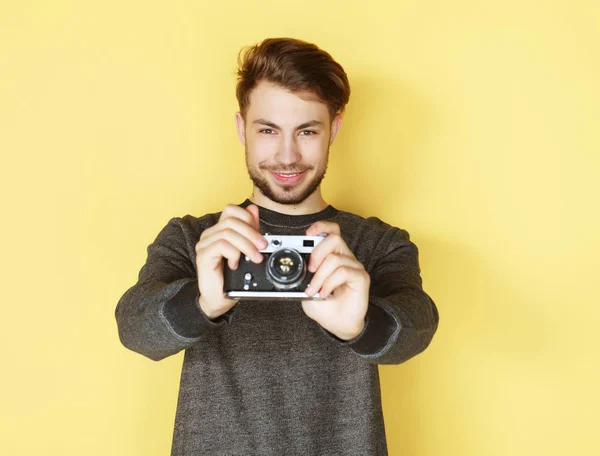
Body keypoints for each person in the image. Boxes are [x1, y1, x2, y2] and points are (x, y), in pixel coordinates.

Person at [115, 37, 439, 456]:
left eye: (307, 131)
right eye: (268, 130)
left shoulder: (377, 244)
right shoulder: (195, 239)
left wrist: (361, 324)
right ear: (240, 128)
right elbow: (134, 329)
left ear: (334, 130)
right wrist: (201, 302)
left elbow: (419, 326)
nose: (287, 156)